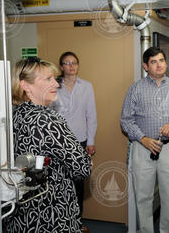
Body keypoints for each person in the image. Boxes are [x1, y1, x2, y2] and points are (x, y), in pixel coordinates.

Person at [5, 57, 92, 232]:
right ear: (25, 86)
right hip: (52, 213)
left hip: (20, 214)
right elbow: (82, 168)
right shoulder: (49, 120)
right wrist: (87, 161)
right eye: (48, 79)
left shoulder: (11, 118)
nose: (57, 84)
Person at [121, 47, 169, 233]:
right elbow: (126, 120)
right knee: (143, 197)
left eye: (161, 60)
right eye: (154, 62)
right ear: (146, 66)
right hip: (143, 148)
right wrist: (143, 138)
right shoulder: (136, 89)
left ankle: (168, 231)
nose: (159, 64)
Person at [51, 51, 97, 226]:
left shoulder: (86, 86)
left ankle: (77, 222)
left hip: (80, 142)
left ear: (78, 65)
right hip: (57, 143)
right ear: (61, 67)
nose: (71, 66)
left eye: (74, 63)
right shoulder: (54, 85)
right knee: (59, 183)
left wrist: (91, 141)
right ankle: (60, 222)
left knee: (78, 185)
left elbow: (91, 115)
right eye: (67, 63)